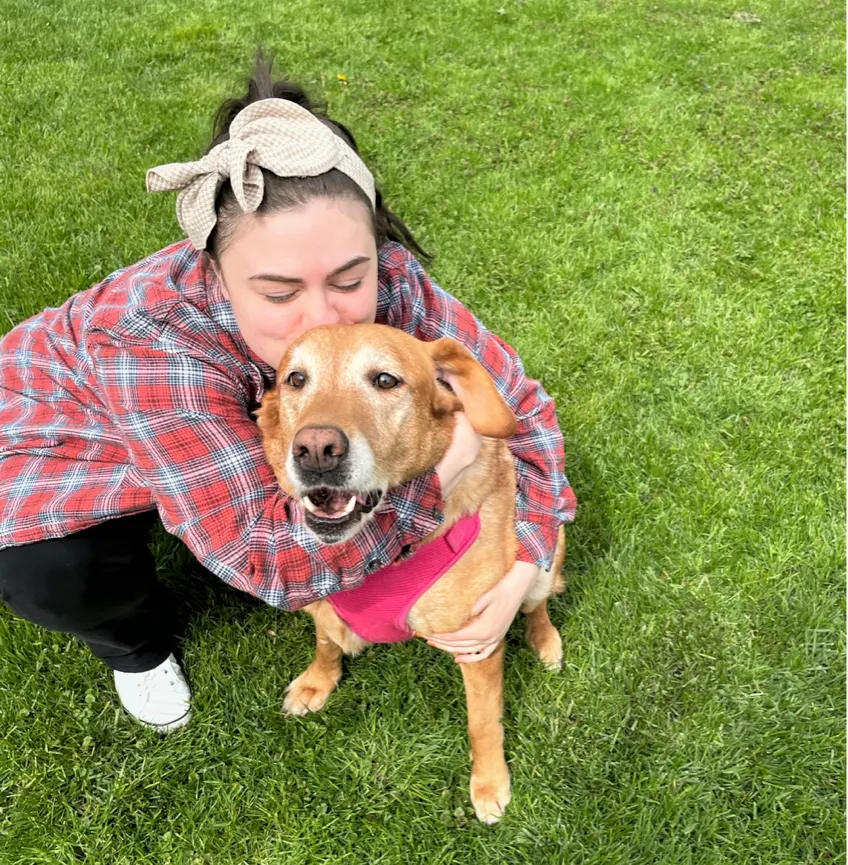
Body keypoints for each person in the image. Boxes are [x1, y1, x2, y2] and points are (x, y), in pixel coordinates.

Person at [0, 54, 577, 733]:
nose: (325, 322)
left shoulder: (391, 281)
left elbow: (526, 411)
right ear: (213, 274)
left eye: (347, 277)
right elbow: (265, 560)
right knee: (53, 571)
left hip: (188, 423)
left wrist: (525, 566)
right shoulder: (150, 343)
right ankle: (135, 647)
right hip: (48, 449)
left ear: (376, 250)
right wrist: (440, 472)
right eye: (277, 292)